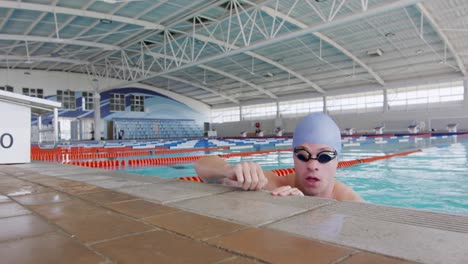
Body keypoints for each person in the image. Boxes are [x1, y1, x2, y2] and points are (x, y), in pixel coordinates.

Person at [194, 113, 363, 202]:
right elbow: (201, 165)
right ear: (293, 157)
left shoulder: (348, 201)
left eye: (324, 156)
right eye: (302, 155)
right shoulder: (276, 185)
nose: (312, 165)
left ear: (338, 160)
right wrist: (229, 170)